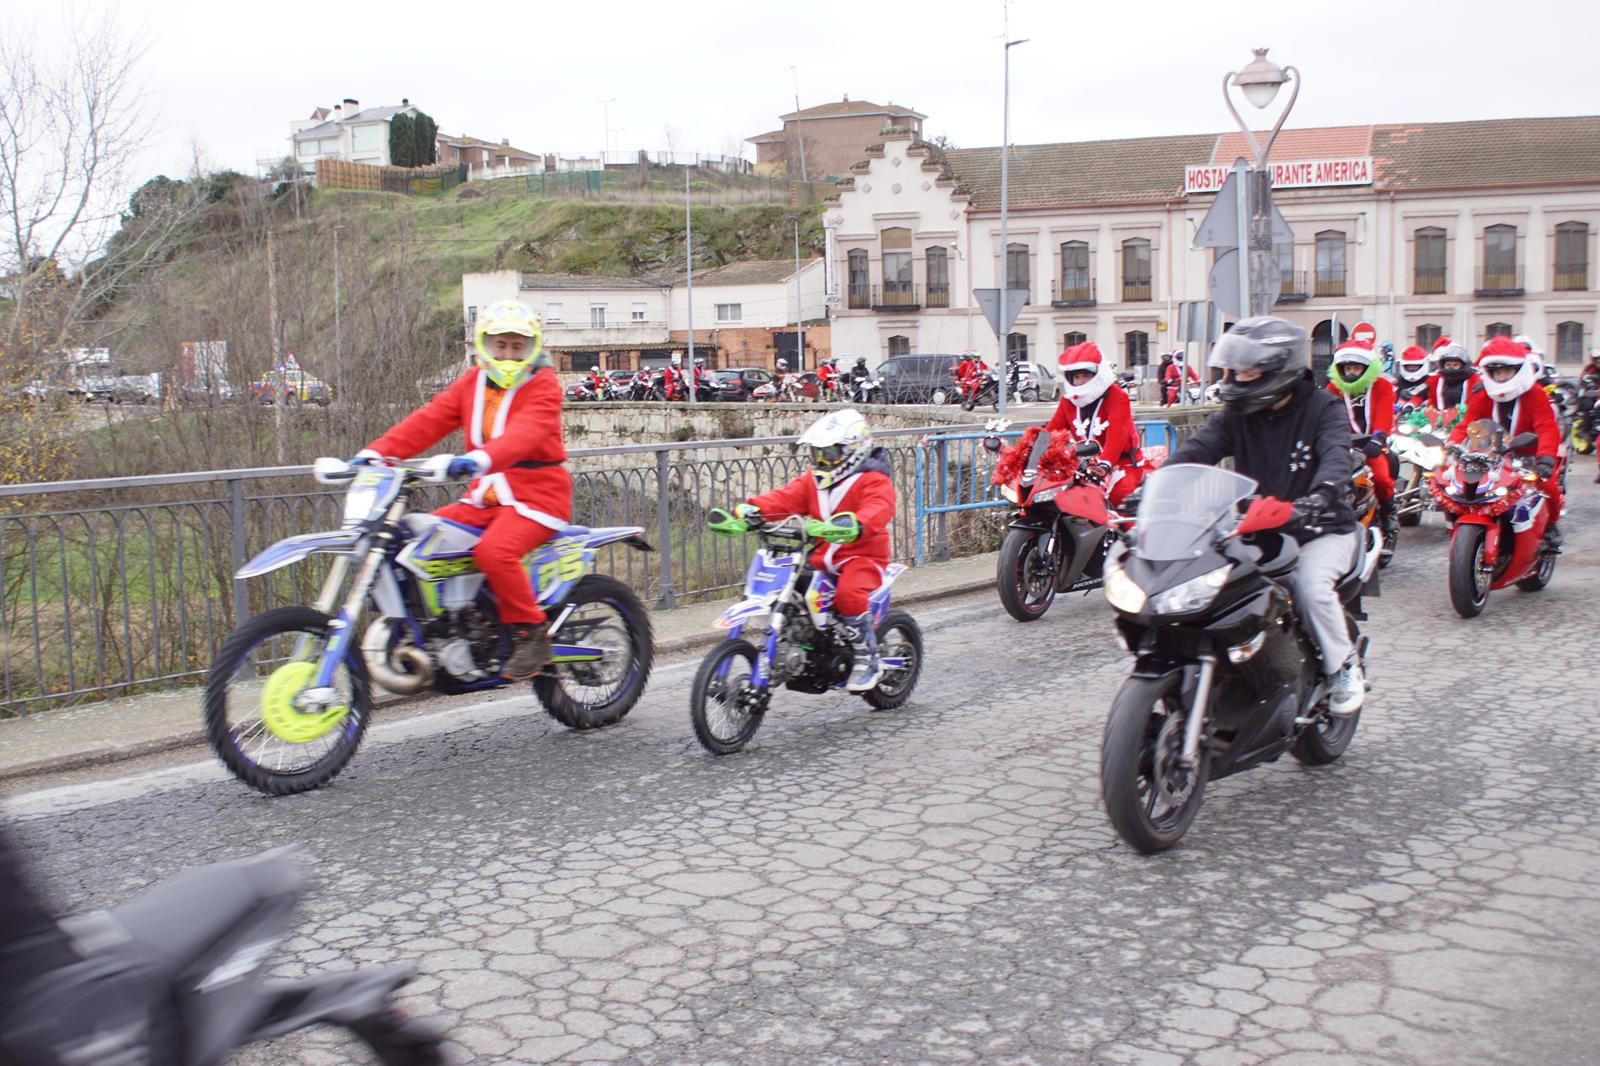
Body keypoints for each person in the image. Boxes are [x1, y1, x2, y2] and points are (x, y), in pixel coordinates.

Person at [357, 300, 571, 680]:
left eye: (516, 346)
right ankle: (438, 626)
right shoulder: (473, 382)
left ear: (531, 347)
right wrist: (377, 452)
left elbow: (526, 434)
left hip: (536, 497)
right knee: (412, 535)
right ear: (484, 345)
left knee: (495, 551)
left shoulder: (543, 386)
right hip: (485, 497)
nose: (507, 354)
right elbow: (430, 419)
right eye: (500, 345)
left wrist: (477, 460)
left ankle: (531, 633)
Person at [1169, 316, 1366, 717]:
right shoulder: (1235, 414)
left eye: (1249, 369)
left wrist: (1323, 494)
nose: (1239, 377)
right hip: (1255, 530)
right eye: (1235, 369)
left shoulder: (1323, 408)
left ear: (1282, 368)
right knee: (1204, 587)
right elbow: (1196, 451)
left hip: (1320, 529)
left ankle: (1343, 666)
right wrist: (1155, 485)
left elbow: (1335, 457)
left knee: (1310, 587)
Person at [727, 409, 895, 690]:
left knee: (848, 593)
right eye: (817, 454)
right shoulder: (812, 482)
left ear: (853, 449)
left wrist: (858, 523)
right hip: (821, 557)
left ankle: (868, 656)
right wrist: (753, 509)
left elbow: (880, 507)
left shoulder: (874, 480)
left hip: (863, 556)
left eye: (828, 454)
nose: (821, 461)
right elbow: (784, 498)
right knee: (793, 592)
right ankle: (800, 640)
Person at [1448, 336, 1564, 547]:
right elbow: (1467, 423)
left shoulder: (1535, 394)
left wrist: (1545, 458)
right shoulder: (1484, 395)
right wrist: (1451, 445)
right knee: (1461, 487)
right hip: (1490, 455)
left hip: (1530, 456)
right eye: (1496, 371)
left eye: (1506, 371)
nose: (1501, 376)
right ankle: (1466, 528)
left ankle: (1552, 524)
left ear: (1518, 370)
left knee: (1548, 485)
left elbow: (1547, 427)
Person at [1045, 342, 1147, 509]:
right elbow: (1052, 430)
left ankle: (1130, 535)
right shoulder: (1069, 401)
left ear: (1096, 375)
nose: (1081, 381)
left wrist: (1104, 464)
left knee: (1119, 497)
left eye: (1085, 376)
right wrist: (1028, 450)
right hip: (1083, 466)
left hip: (1121, 463)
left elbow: (1117, 437)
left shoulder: (1117, 396)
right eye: (1076, 377)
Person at [1326, 337, 1398, 542]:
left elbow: (1384, 415)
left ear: (1367, 367)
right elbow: (1325, 415)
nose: (1351, 372)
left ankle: (1388, 512)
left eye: (1356, 368)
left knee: (1382, 478)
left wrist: (1378, 438)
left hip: (1370, 446)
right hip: (1342, 446)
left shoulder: (1382, 386)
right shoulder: (1333, 389)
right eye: (1347, 367)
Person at [1422, 340, 1476, 428]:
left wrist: (1481, 386)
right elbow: (1420, 393)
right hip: (1438, 423)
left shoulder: (1473, 378)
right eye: (1448, 365)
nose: (1451, 368)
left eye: (1455, 365)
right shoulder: (1435, 379)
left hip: (1466, 422)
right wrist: (1410, 404)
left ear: (1463, 366)